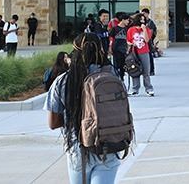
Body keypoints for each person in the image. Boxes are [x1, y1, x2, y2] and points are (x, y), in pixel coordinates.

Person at [45, 33, 128, 183]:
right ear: (100, 50)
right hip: (109, 145)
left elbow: (53, 123)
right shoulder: (113, 75)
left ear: (75, 51)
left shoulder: (63, 80)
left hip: (78, 149)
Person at [127, 14, 154, 96]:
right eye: (140, 19)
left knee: (146, 71)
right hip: (134, 52)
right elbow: (128, 41)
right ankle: (135, 88)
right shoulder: (131, 30)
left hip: (144, 51)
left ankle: (148, 88)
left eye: (143, 19)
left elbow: (146, 40)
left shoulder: (147, 29)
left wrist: (144, 29)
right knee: (135, 70)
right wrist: (132, 44)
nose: (142, 21)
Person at [109, 13, 130, 81]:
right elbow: (111, 39)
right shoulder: (114, 29)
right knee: (116, 65)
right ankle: (117, 78)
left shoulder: (127, 29)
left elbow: (128, 39)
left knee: (122, 66)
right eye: (127, 20)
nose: (128, 22)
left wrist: (128, 48)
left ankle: (122, 78)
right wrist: (110, 47)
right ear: (123, 20)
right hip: (116, 49)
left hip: (124, 49)